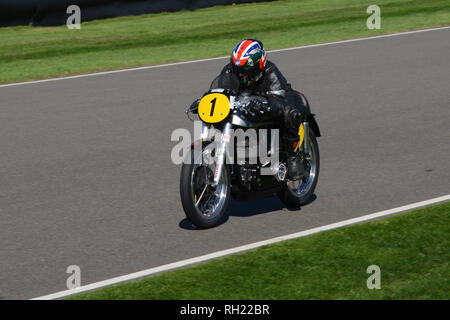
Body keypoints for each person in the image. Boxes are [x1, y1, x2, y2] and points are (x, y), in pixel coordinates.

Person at [211, 39, 307, 180]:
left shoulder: (270, 72)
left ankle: (293, 157)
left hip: (273, 102)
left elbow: (278, 102)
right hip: (244, 107)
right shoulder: (229, 71)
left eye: (244, 70)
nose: (240, 74)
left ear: (258, 66)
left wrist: (262, 105)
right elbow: (219, 95)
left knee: (288, 113)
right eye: (237, 69)